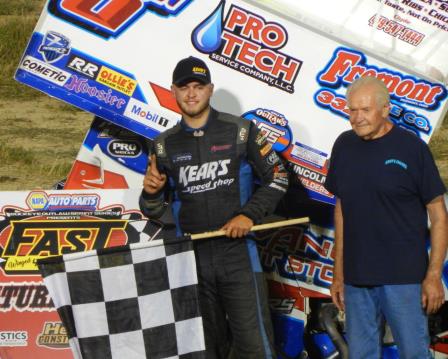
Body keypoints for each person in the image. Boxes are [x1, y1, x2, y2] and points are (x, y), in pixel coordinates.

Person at [139, 56, 288, 358]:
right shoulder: (162, 145)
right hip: (191, 261)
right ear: (173, 91)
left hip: (238, 256)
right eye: (184, 88)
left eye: (198, 86)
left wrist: (249, 214)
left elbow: (279, 177)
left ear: (210, 90)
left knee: (256, 348)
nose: (191, 94)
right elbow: (155, 210)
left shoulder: (242, 131)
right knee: (202, 350)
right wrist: (151, 194)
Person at [324, 76, 448, 358]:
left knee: (414, 353)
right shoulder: (343, 145)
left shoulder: (412, 148)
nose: (357, 118)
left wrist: (433, 275)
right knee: (361, 355)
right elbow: (342, 210)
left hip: (403, 278)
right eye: (352, 110)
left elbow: (439, 217)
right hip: (357, 279)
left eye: (365, 110)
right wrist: (338, 272)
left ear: (385, 109)